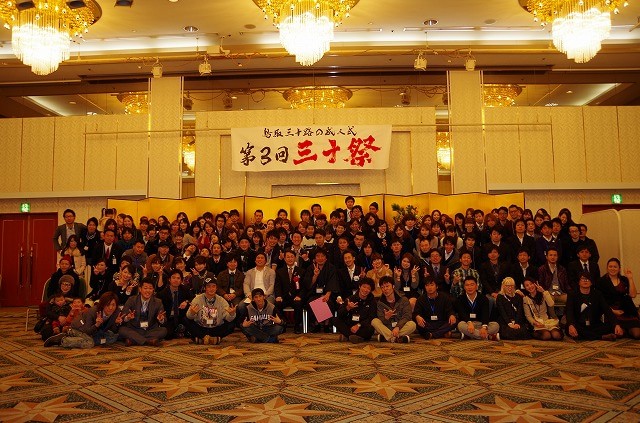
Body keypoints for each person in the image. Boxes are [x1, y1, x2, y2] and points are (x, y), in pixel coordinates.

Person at [44, 292, 121, 349]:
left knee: (112, 337)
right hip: (79, 328)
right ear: (103, 304)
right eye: (108, 305)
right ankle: (63, 339)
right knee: (90, 343)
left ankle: (75, 337)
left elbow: (112, 329)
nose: (111, 308)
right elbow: (87, 331)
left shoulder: (116, 312)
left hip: (97, 330)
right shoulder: (93, 311)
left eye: (113, 305)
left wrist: (116, 323)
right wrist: (96, 325)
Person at [566, 273, 623, 341]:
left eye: (588, 279)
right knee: (569, 328)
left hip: (594, 324)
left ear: (591, 282)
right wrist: (571, 325)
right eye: (583, 279)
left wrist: (616, 324)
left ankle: (586, 336)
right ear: (579, 282)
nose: (585, 281)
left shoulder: (597, 294)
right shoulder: (572, 294)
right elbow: (569, 311)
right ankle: (601, 337)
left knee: (612, 327)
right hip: (579, 324)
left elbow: (607, 310)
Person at [596, 258, 640, 339]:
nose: (612, 268)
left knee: (637, 335)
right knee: (619, 334)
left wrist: (630, 279)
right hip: (611, 312)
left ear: (619, 268)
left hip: (627, 311)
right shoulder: (601, 281)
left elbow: (633, 295)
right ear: (607, 268)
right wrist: (613, 311)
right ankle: (624, 330)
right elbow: (600, 301)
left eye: (615, 267)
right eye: (610, 266)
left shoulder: (624, 279)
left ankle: (628, 330)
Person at [185, 279, 237, 345]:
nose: (211, 289)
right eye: (208, 286)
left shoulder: (221, 300)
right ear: (205, 288)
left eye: (213, 286)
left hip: (216, 329)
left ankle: (201, 339)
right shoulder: (197, 299)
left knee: (232, 323)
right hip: (201, 328)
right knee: (186, 320)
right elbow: (188, 316)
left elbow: (228, 318)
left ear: (216, 288)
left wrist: (231, 314)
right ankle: (213, 339)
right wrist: (192, 313)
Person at [118, 279, 168, 346]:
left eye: (150, 288)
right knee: (122, 330)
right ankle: (148, 341)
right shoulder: (132, 300)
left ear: (153, 290)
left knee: (164, 330)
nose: (148, 291)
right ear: (140, 289)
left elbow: (164, 320)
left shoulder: (158, 302)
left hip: (150, 329)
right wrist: (128, 317)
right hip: (134, 329)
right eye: (145, 288)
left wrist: (161, 319)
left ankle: (134, 340)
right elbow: (123, 316)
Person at [304, 248, 340, 332]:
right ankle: (317, 324)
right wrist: (315, 275)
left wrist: (327, 294)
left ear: (326, 258)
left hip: (328, 293)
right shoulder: (310, 268)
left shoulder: (331, 268)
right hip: (314, 293)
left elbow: (333, 281)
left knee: (327, 302)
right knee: (312, 301)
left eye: (322, 256)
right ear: (314, 258)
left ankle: (326, 324)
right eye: (318, 256)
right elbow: (308, 284)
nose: (320, 258)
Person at [332, 277, 377, 343]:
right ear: (359, 286)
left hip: (362, 326)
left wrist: (358, 325)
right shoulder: (350, 298)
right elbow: (340, 314)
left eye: (368, 288)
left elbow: (371, 317)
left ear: (370, 290)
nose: (365, 290)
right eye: (364, 287)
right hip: (350, 325)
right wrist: (348, 308)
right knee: (335, 320)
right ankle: (356, 337)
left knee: (370, 329)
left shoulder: (372, 301)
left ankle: (347, 336)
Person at [454, 276, 500, 340]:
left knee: (495, 325)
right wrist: (469, 323)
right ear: (464, 287)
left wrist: (484, 327)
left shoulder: (483, 298)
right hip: (467, 324)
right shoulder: (460, 299)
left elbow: (485, 314)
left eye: (472, 285)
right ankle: (487, 336)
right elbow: (462, 314)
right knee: (460, 325)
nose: (469, 287)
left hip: (480, 324)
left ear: (476, 286)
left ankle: (470, 335)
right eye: (467, 285)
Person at [372, 276, 416, 342]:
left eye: (387, 286)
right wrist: (386, 318)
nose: (385, 289)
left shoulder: (403, 299)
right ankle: (396, 338)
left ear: (393, 286)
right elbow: (381, 320)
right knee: (374, 321)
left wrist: (398, 327)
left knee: (412, 324)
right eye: (382, 287)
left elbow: (407, 316)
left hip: (400, 327)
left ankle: (387, 337)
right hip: (387, 327)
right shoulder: (380, 303)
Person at [274, 250, 305, 334]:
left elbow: (304, 287)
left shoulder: (301, 271)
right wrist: (278, 296)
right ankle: (282, 324)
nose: (290, 259)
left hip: (296, 296)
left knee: (298, 304)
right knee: (277, 304)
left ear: (295, 258)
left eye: (292, 257)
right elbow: (277, 286)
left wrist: (299, 296)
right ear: (284, 259)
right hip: (284, 297)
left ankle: (297, 326)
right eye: (288, 257)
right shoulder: (279, 271)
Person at [157, 270, 193, 339]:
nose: (176, 280)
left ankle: (181, 331)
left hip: (182, 316)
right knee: (168, 335)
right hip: (170, 318)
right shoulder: (163, 293)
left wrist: (186, 302)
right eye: (173, 278)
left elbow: (193, 298)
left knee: (192, 330)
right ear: (169, 279)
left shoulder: (185, 289)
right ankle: (178, 333)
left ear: (181, 280)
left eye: (178, 278)